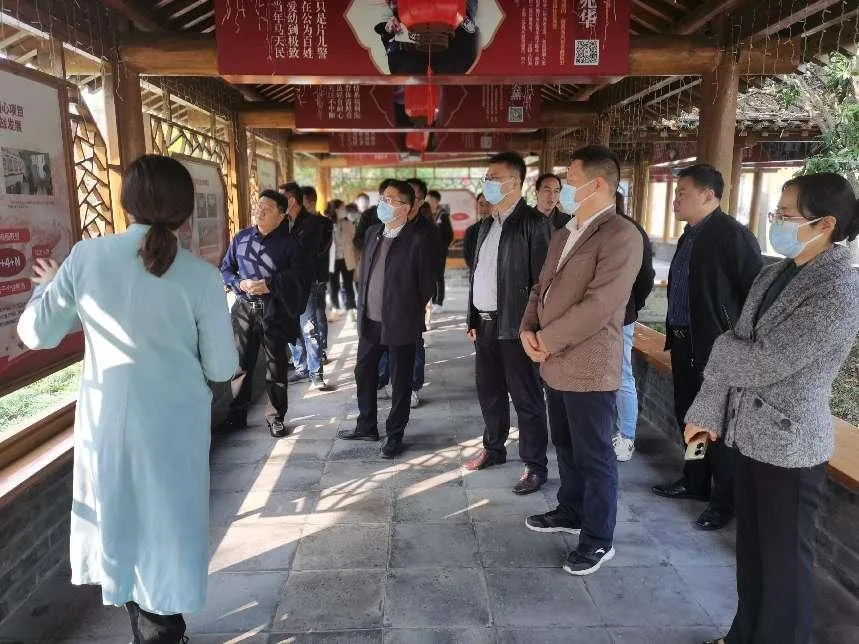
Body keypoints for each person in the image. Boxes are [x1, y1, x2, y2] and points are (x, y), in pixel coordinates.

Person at [16, 154, 238, 643]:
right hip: (176, 424)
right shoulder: (201, 276)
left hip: (108, 419)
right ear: (184, 209)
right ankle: (164, 627)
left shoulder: (86, 258)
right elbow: (223, 367)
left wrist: (46, 289)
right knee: (168, 522)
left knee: (120, 516)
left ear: (126, 202)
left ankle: (151, 624)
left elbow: (37, 334)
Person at [684, 173, 859, 644]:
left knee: (783, 563)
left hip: (789, 441)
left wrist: (724, 349)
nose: (775, 223)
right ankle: (744, 634)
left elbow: (767, 361)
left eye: (785, 215)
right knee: (752, 553)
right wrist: (706, 413)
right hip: (747, 432)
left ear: (825, 224)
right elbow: (738, 346)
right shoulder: (773, 273)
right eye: (776, 213)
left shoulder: (839, 288)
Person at [521, 145, 643, 576]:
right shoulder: (565, 232)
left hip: (589, 366)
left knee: (594, 456)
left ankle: (597, 538)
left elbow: (600, 305)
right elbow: (541, 288)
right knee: (566, 445)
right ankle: (570, 510)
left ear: (597, 184)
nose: (563, 190)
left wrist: (546, 339)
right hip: (554, 362)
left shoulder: (621, 235)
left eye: (570, 181)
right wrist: (527, 328)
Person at [652, 164, 763, 531]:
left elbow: (755, 296)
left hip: (717, 349)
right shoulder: (690, 235)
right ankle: (695, 480)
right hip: (685, 343)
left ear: (709, 195)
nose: (675, 199)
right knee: (690, 416)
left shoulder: (732, 236)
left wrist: (735, 339)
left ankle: (724, 501)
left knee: (719, 426)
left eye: (682, 192)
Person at [464, 151, 553, 496]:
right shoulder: (487, 225)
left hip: (517, 327)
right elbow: (478, 276)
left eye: (494, 178)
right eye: (486, 178)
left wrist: (533, 328)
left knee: (526, 397)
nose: (487, 183)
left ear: (515, 182)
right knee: (489, 392)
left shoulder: (534, 223)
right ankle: (494, 447)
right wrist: (472, 317)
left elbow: (544, 284)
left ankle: (534, 464)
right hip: (485, 325)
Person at [337, 180, 436, 458]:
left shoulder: (418, 240)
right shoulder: (373, 233)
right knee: (364, 372)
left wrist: (407, 310)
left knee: (400, 381)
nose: (382, 203)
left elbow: (426, 285)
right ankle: (366, 425)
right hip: (370, 319)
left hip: (401, 322)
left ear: (406, 207)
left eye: (389, 200)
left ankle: (395, 435)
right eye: (382, 198)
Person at [221, 185, 314, 436]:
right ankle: (236, 416)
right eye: (259, 206)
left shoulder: (291, 244)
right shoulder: (241, 238)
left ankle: (275, 417)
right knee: (241, 364)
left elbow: (300, 277)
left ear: (282, 215)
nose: (260, 211)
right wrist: (239, 283)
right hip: (243, 309)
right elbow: (226, 269)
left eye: (268, 208)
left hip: (274, 310)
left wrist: (270, 284)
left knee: (276, 366)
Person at [377, 178, 440, 408]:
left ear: (419, 201)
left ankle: (413, 386)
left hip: (409, 301)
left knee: (413, 343)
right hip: (382, 299)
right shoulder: (383, 225)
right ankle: (384, 379)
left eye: (415, 196)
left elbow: (432, 270)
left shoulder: (427, 230)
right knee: (384, 341)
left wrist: (415, 302)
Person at [612, 192, 655, 462]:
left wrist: (630, 306)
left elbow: (646, 277)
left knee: (621, 374)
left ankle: (626, 436)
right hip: (593, 319)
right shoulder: (583, 227)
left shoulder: (630, 231)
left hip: (620, 317)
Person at [290, 185, 333, 372]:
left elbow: (322, 249)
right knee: (304, 321)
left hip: (317, 275)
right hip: (298, 279)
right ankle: (303, 363)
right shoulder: (293, 223)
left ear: (312, 202)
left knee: (318, 315)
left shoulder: (324, 223)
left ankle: (320, 352)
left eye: (305, 203)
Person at [328, 200, 358, 316]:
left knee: (348, 284)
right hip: (332, 259)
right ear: (335, 210)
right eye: (342, 208)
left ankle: (351, 307)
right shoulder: (327, 223)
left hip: (347, 258)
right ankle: (335, 307)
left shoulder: (348, 223)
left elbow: (354, 238)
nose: (344, 210)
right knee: (333, 284)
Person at [427, 189, 454, 310]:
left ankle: (439, 302)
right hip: (427, 252)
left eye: (431, 200)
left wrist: (442, 248)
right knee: (429, 276)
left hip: (439, 253)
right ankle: (432, 301)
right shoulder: (426, 214)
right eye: (428, 200)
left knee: (438, 276)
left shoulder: (443, 215)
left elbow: (449, 235)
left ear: (437, 201)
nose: (429, 202)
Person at [463, 192, 491, 270]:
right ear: (476, 207)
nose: (484, 209)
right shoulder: (470, 231)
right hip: (476, 273)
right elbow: (468, 258)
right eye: (481, 205)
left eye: (488, 204)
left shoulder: (499, 229)